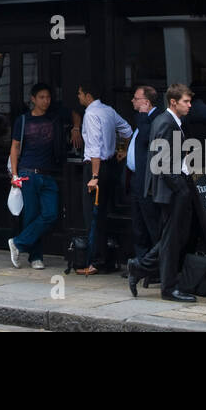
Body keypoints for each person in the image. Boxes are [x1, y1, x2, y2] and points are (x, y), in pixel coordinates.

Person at [130, 84, 197, 302]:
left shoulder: (171, 122)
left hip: (171, 188)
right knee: (171, 239)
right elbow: (163, 162)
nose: (190, 105)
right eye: (186, 101)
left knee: (173, 237)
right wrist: (181, 188)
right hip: (171, 190)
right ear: (173, 102)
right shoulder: (167, 123)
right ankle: (168, 288)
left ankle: (140, 267)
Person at [77, 83, 131, 275]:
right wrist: (123, 150)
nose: (78, 96)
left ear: (88, 95)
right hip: (110, 167)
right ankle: (104, 259)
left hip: (96, 169)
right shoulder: (108, 110)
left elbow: (94, 147)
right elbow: (127, 130)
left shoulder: (91, 114)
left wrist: (94, 176)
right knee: (102, 215)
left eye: (80, 93)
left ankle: (95, 261)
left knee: (92, 216)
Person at [7, 83, 62, 270]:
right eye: (41, 97)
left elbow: (74, 113)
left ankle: (18, 243)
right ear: (33, 99)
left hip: (48, 173)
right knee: (31, 215)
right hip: (27, 172)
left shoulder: (54, 119)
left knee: (51, 214)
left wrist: (76, 128)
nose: (46, 101)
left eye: (48, 97)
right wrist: (15, 175)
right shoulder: (23, 121)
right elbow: (14, 148)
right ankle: (35, 257)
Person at [125, 86, 164, 264]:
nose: (133, 101)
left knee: (151, 224)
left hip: (148, 181)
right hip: (136, 179)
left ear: (146, 102)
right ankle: (140, 263)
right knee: (138, 225)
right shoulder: (143, 119)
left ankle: (155, 265)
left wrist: (142, 115)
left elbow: (147, 137)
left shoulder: (155, 118)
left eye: (136, 98)